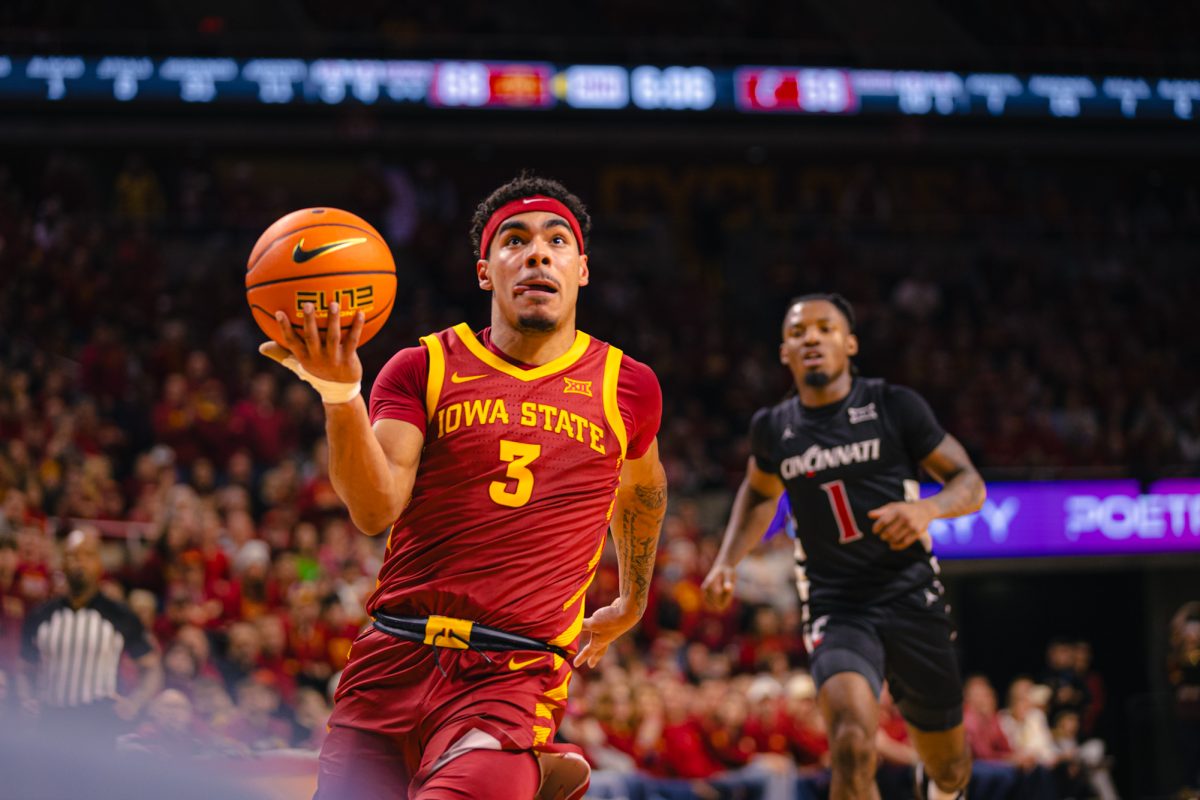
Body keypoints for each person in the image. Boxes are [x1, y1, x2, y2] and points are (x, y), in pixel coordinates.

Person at [260, 174, 667, 799]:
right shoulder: (422, 367)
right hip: (391, 658)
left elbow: (642, 492)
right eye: (514, 240)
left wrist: (633, 599)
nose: (536, 252)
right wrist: (339, 394)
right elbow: (374, 509)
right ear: (485, 272)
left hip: (511, 672)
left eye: (557, 241)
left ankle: (522, 763)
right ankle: (537, 773)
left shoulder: (626, 384)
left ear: (581, 270)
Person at [702, 294, 985, 800]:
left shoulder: (893, 404)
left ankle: (941, 789)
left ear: (849, 343)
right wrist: (726, 561)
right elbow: (759, 493)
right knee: (853, 745)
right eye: (798, 332)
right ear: (784, 351)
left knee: (950, 765)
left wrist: (927, 509)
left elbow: (969, 483)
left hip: (909, 592)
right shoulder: (774, 427)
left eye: (825, 329)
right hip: (837, 604)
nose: (811, 338)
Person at [19, 528, 163, 740]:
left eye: (87, 555)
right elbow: (24, 668)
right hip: (50, 724)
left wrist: (135, 703)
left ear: (99, 563)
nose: (79, 562)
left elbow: (152, 668)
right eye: (72, 556)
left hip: (99, 725)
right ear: (62, 564)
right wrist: (26, 699)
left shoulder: (120, 614)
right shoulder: (40, 615)